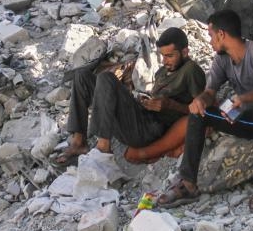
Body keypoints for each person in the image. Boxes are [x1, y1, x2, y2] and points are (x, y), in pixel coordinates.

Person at [158, 9, 253, 212]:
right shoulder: (222, 59)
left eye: (211, 36)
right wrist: (201, 100)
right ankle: (188, 184)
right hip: (249, 121)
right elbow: (210, 91)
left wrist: (243, 98)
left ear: (221, 34)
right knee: (199, 113)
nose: (210, 41)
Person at [52, 27, 206, 166]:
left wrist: (170, 105)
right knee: (82, 75)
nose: (165, 61)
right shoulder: (163, 71)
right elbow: (157, 100)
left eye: (170, 56)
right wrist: (144, 101)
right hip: (141, 117)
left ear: (185, 52)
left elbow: (203, 112)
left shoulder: (191, 70)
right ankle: (78, 142)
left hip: (150, 129)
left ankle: (103, 149)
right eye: (163, 56)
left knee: (106, 79)